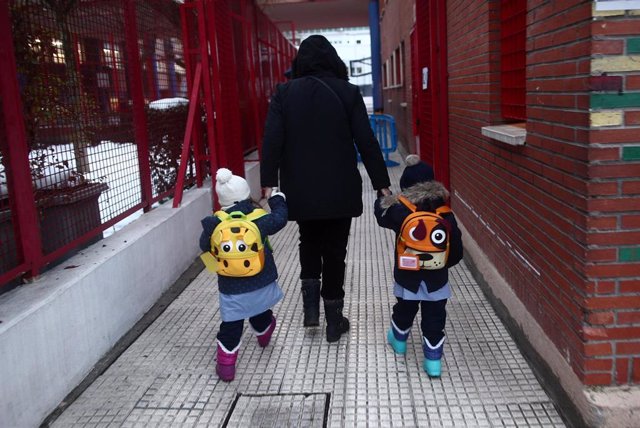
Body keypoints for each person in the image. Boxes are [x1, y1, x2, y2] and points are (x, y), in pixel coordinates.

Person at [260, 34, 391, 343]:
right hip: (339, 187)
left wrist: (268, 183)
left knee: (308, 241)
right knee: (335, 250)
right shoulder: (348, 92)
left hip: (300, 188)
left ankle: (310, 312)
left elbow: (271, 140)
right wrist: (381, 184)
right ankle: (334, 320)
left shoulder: (284, 93)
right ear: (333, 59)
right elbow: (366, 141)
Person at [374, 155, 463, 377]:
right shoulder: (445, 214)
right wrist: (441, 265)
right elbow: (457, 250)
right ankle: (433, 362)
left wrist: (382, 197)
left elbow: (380, 216)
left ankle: (399, 340)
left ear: (406, 187)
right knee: (435, 318)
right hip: (436, 281)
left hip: (408, 277)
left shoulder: (401, 211)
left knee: (405, 309)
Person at [199, 168, 288, 381]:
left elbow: (204, 246)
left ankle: (226, 368)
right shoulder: (259, 219)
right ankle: (264, 333)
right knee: (260, 311)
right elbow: (280, 219)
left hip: (231, 287)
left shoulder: (215, 223)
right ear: (246, 195)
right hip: (260, 280)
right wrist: (276, 199)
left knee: (231, 326)